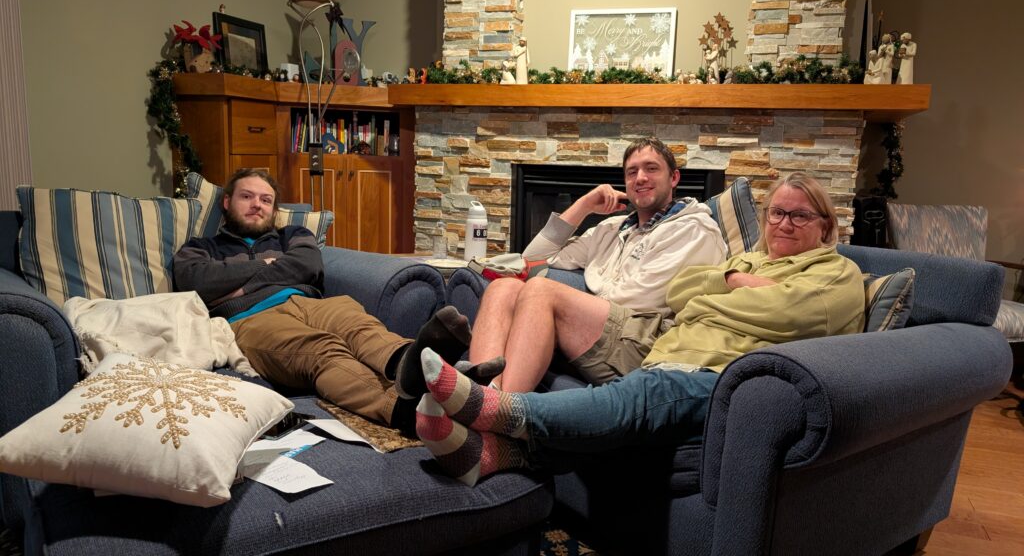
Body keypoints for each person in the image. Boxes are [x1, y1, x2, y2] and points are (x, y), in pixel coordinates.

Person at [413, 172, 866, 485]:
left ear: (825, 225)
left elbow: (790, 313)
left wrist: (711, 300)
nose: (784, 223)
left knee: (639, 396)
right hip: (670, 350)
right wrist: (733, 282)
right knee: (513, 286)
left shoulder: (836, 272)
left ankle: (495, 409)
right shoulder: (747, 262)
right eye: (777, 213)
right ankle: (493, 447)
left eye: (799, 216)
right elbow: (681, 291)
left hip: (720, 371)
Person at [397, 138, 727, 396]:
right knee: (505, 286)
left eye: (651, 169)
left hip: (647, 339)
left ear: (674, 178)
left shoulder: (693, 230)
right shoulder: (613, 229)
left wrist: (565, 299)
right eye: (632, 172)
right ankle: (481, 392)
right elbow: (532, 258)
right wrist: (584, 206)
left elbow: (635, 301)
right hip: (602, 328)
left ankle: (496, 410)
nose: (640, 178)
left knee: (540, 290)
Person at [172, 168, 475, 436]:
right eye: (247, 196)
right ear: (227, 202)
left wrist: (237, 285)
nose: (257, 205)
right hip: (250, 317)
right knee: (321, 350)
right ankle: (405, 409)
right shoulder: (203, 247)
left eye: (266, 200)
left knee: (357, 325)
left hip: (311, 303)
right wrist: (267, 265)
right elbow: (196, 281)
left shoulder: (292, 234)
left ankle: (413, 364)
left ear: (274, 209)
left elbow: (308, 265)